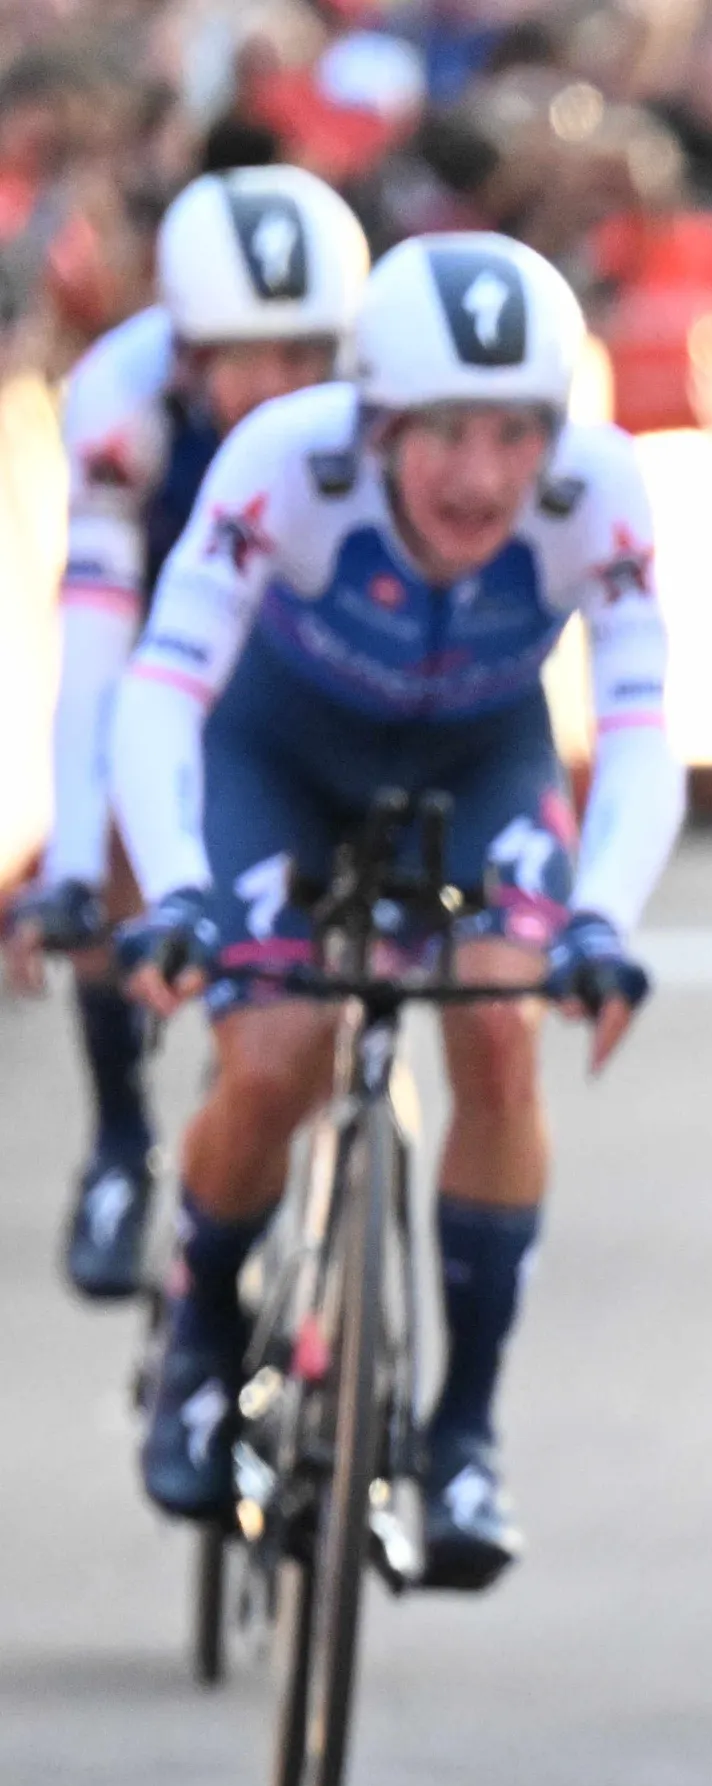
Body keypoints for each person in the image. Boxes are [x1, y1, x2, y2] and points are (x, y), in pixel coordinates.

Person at [110, 230, 680, 1586]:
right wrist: (178, 884)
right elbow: (163, 687)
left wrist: (601, 916)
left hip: (482, 763)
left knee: (498, 1036)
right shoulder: (283, 468)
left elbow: (644, 722)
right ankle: (197, 1346)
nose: (482, 478)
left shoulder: (599, 493)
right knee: (280, 1055)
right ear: (375, 424)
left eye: (513, 434)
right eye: (443, 437)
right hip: (277, 760)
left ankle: (465, 1430)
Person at [6, 165, 366, 1305]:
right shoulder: (124, 396)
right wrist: (70, 861)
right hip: (175, 629)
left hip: (320, 642)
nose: (290, 386)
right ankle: (121, 1139)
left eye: (314, 353)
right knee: (125, 823)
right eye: (256, 357)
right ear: (190, 351)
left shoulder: (381, 390)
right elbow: (100, 654)